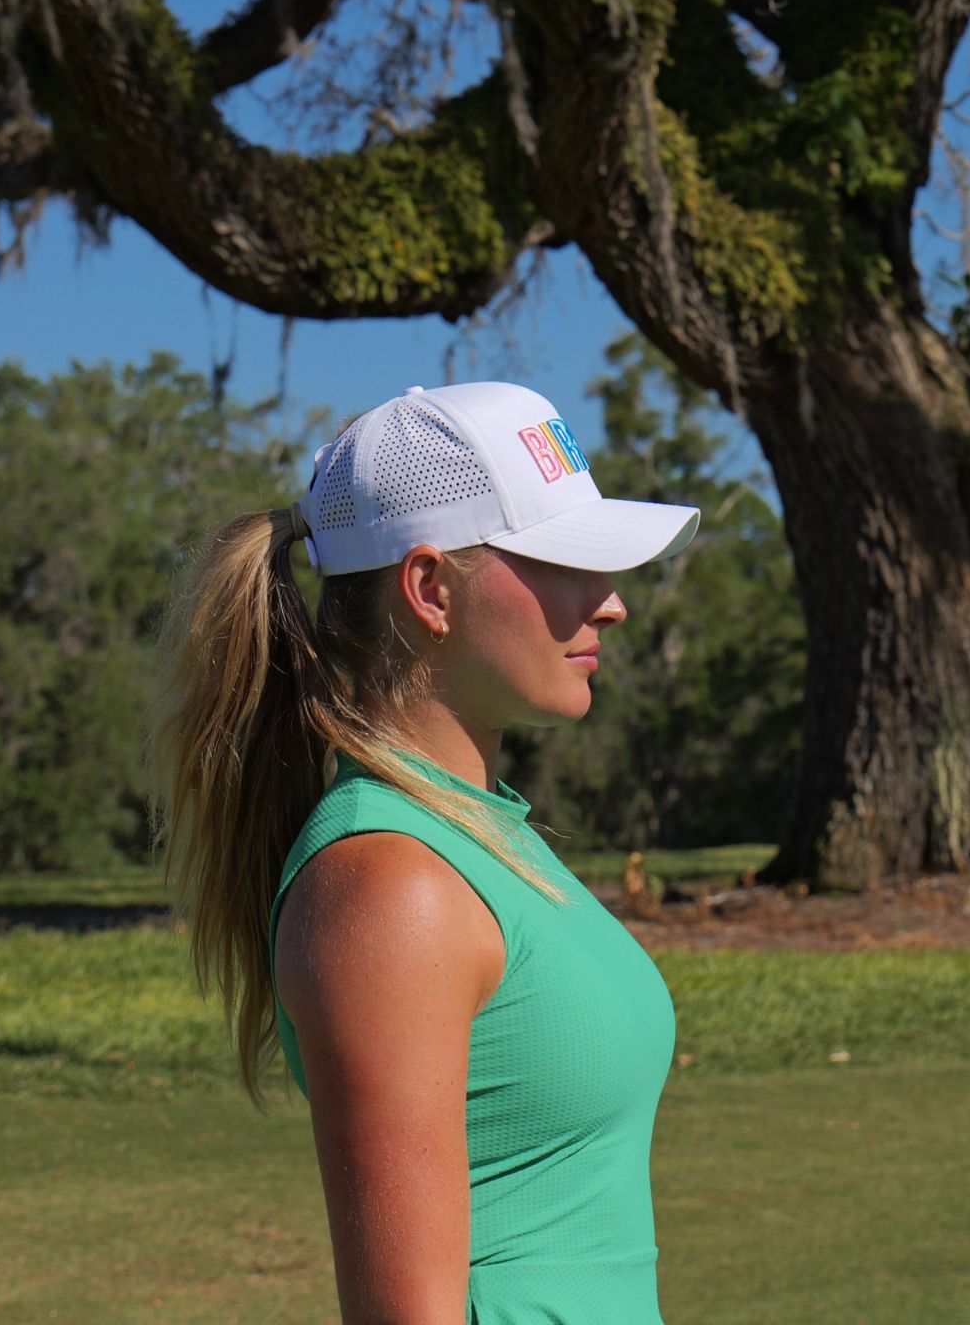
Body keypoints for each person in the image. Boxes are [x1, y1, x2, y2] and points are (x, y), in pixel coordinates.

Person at [150, 379, 701, 1325]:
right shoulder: (390, 884)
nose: (609, 605)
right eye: (565, 561)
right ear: (431, 588)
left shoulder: (477, 834)